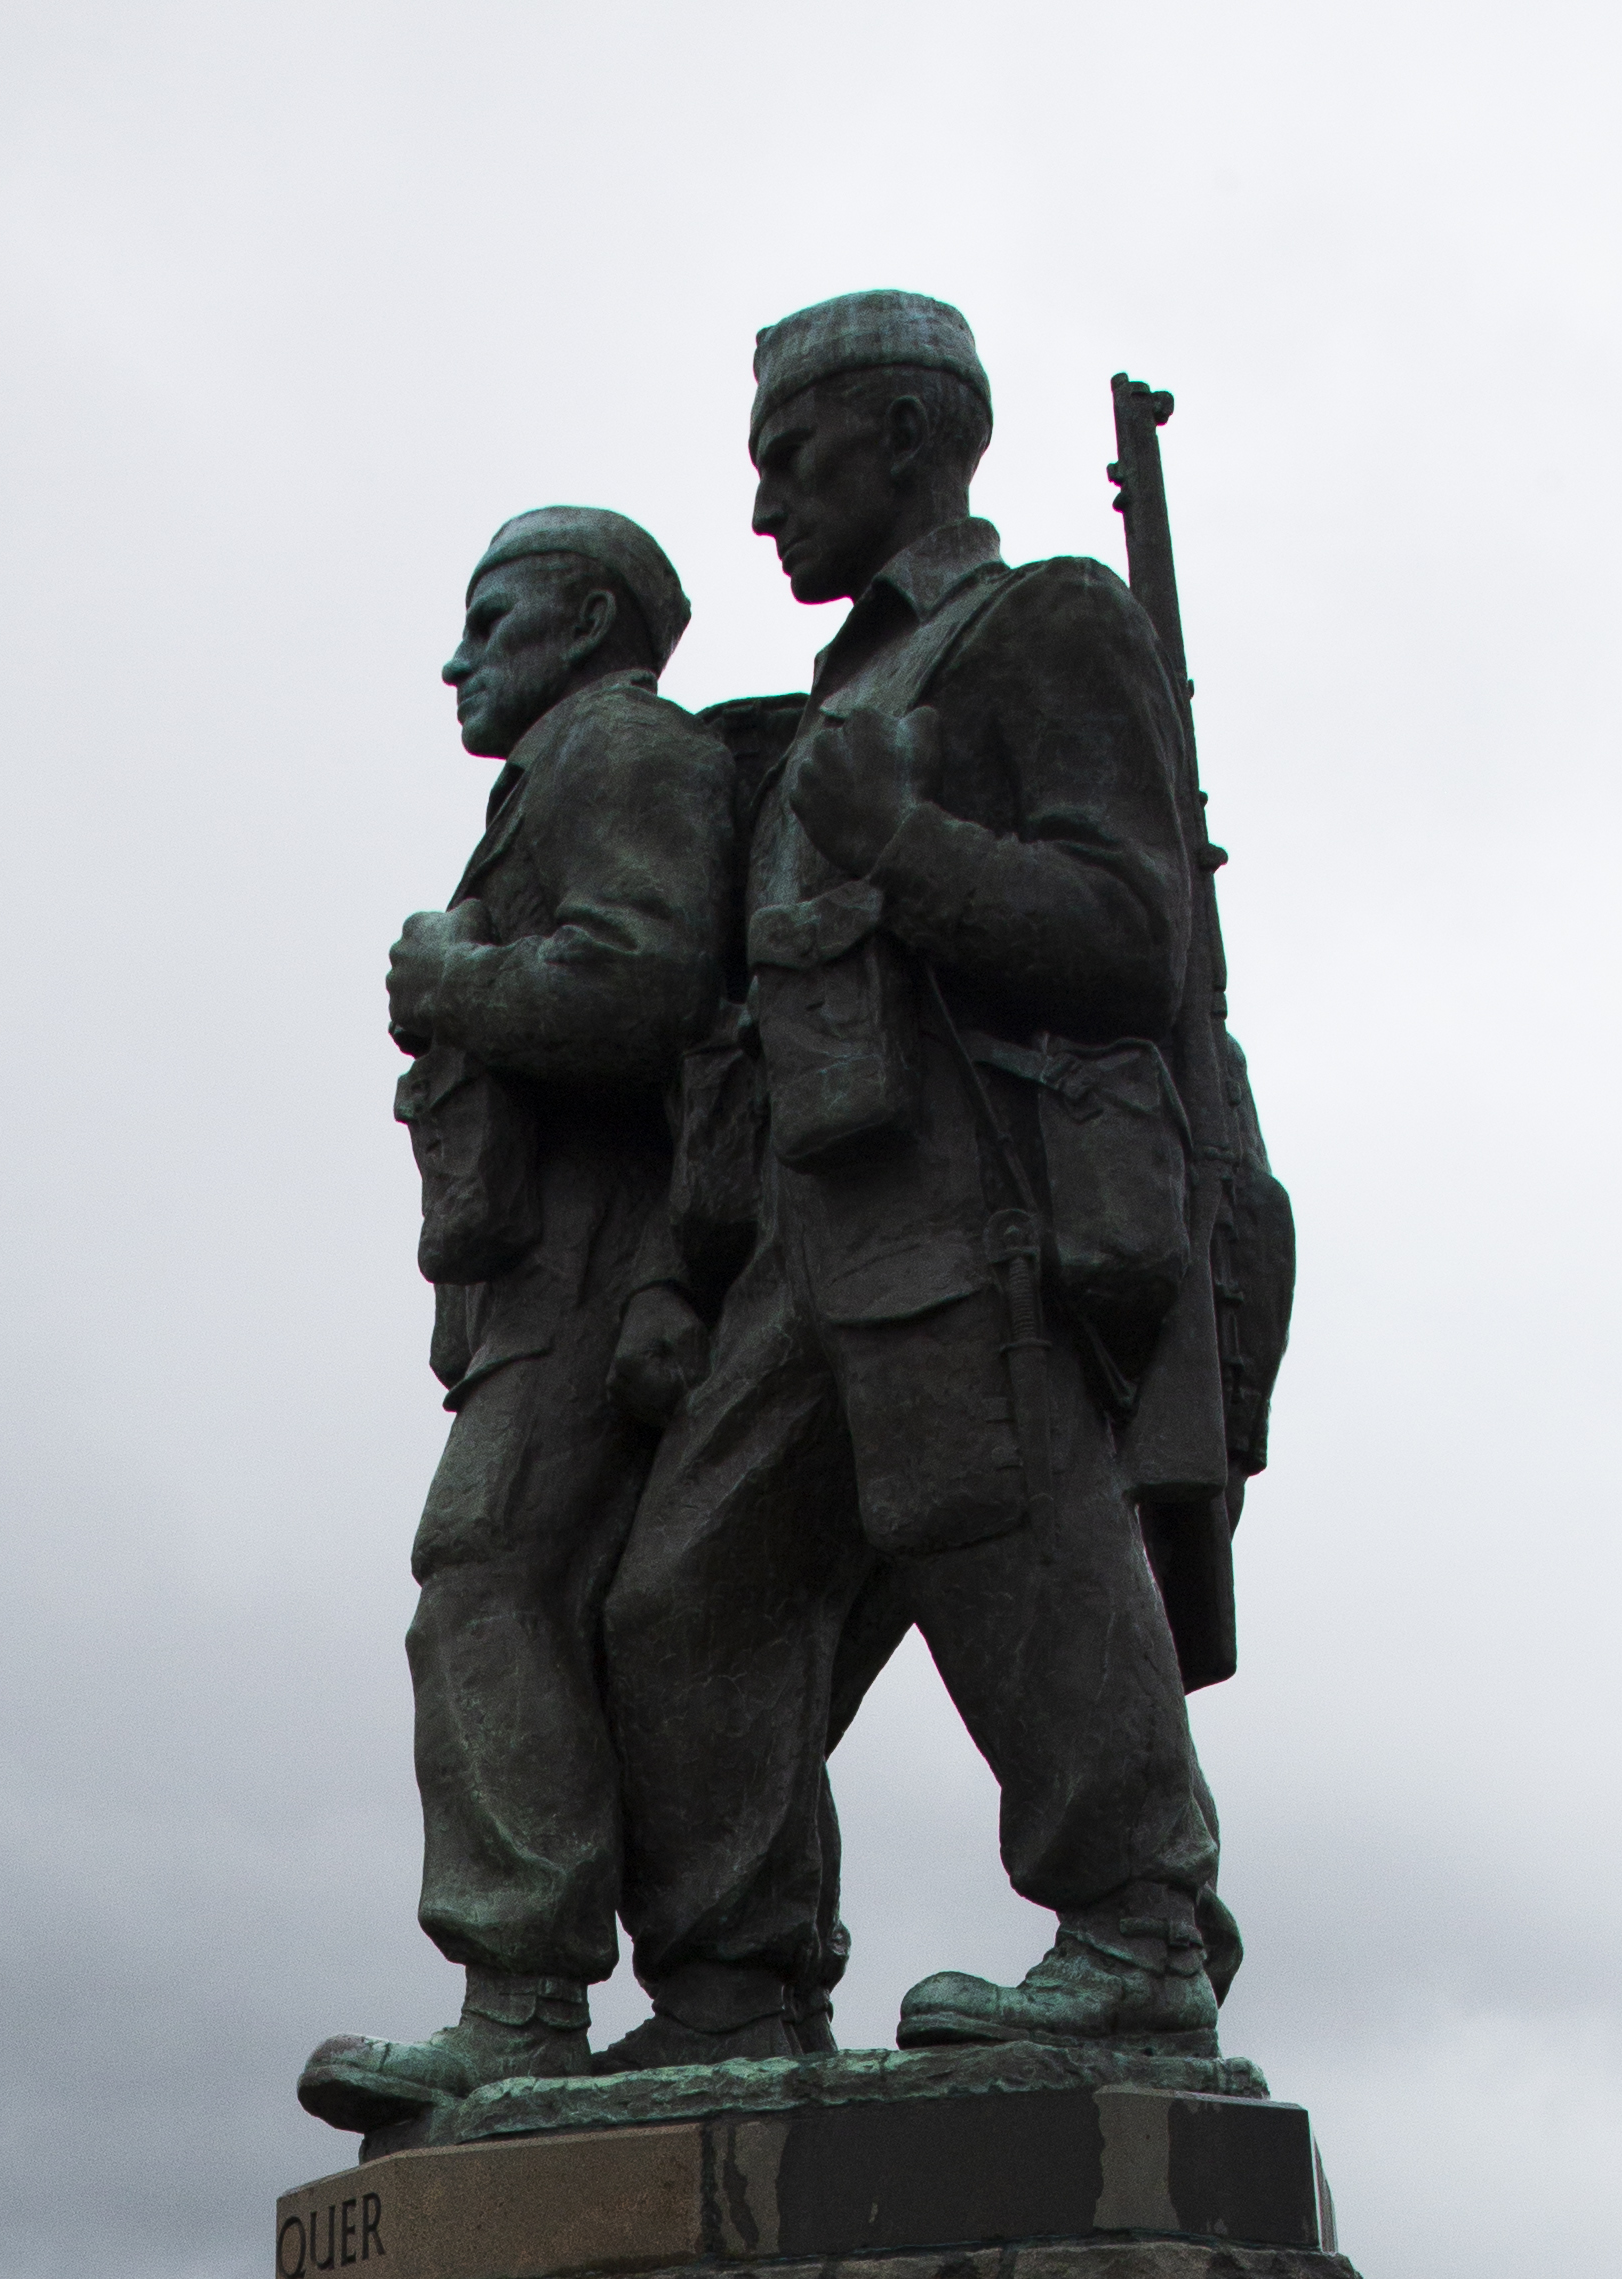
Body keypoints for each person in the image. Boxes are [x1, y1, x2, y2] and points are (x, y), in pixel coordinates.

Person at [597, 288, 1242, 2061]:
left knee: (1011, 1549)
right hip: (810, 1223)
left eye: (787, 459)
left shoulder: (1042, 627)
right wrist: (685, 1258)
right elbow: (756, 1017)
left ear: (904, 434)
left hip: (977, 1201)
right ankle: (736, 1988)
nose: (759, 513)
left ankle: (1136, 1931)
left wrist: (911, 847)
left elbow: (1134, 941)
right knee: (685, 1596)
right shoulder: (831, 698)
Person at [295, 511, 734, 2141]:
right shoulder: (559, 773)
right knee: (580, 1604)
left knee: (483, 1572)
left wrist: (453, 983)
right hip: (553, 1269)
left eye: (493, 622)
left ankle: (523, 2001)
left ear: (589, 623)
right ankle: (666, 1985)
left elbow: (645, 988)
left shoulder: (617, 747)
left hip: (603, 1260)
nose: (457, 658)